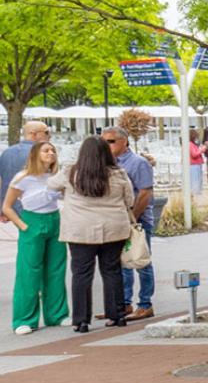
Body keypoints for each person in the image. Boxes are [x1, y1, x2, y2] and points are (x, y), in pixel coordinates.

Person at [49, 136, 133, 333]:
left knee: (81, 274)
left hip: (80, 230)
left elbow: (51, 185)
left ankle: (81, 320)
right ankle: (117, 315)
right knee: (112, 271)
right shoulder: (118, 173)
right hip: (113, 228)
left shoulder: (71, 172)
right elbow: (129, 199)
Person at [4, 141, 69, 335]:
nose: (51, 153)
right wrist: (23, 226)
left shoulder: (56, 177)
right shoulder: (23, 177)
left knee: (56, 268)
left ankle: (57, 314)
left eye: (53, 150)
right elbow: (7, 206)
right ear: (35, 154)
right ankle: (24, 319)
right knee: (29, 271)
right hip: (32, 221)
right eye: (46, 150)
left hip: (54, 220)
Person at [102, 128, 156, 322]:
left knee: (141, 260)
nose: (107, 145)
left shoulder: (138, 163)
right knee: (122, 262)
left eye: (111, 141)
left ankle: (145, 304)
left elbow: (145, 193)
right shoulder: (107, 164)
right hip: (116, 219)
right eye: (104, 141)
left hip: (137, 220)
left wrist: (132, 217)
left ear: (124, 141)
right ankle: (124, 303)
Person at [0, 120, 50, 216]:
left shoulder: (7, 152)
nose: (49, 135)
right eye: (46, 132)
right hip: (34, 208)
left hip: (11, 206)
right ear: (33, 134)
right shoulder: (41, 154)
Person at [187, 128, 206, 194]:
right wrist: (201, 150)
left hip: (197, 164)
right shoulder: (189, 144)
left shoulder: (192, 144)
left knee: (198, 180)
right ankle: (195, 193)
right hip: (193, 165)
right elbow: (194, 154)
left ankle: (197, 192)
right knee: (195, 181)